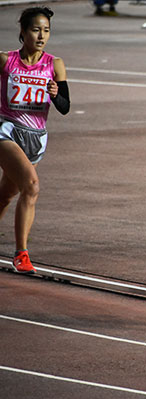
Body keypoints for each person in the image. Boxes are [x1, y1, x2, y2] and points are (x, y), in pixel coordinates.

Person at [0, 7, 70, 274]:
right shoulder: (6, 60)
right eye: (36, 30)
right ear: (23, 31)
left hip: (35, 138)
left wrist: (55, 94)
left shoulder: (55, 64)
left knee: (6, 194)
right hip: (7, 131)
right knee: (31, 186)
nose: (42, 36)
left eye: (46, 31)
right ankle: (21, 254)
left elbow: (65, 107)